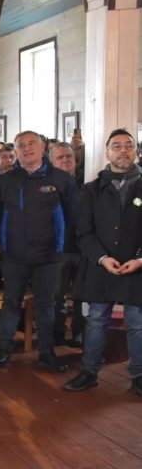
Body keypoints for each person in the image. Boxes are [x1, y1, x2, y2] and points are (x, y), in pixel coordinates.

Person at [0, 131, 78, 371]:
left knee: (46, 305)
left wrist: (58, 243)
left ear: (43, 148)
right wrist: (8, 239)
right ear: (14, 151)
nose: (27, 149)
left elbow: (72, 214)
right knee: (11, 302)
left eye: (32, 144)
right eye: (21, 146)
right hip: (14, 255)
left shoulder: (61, 179)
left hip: (49, 255)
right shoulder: (3, 180)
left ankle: (47, 353)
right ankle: (3, 350)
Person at [64, 129, 142, 396]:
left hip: (137, 265)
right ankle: (89, 371)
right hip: (101, 264)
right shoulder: (92, 189)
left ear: (135, 151)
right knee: (96, 319)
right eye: (117, 146)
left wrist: (140, 259)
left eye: (128, 146)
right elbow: (83, 232)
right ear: (107, 152)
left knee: (138, 322)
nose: (123, 150)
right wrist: (102, 258)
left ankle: (139, 375)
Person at [50, 141, 86, 345]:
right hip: (58, 249)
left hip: (82, 248)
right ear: (52, 161)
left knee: (82, 295)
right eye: (60, 157)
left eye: (69, 157)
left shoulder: (87, 182)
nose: (65, 160)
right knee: (57, 296)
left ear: (75, 159)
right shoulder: (46, 184)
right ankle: (57, 333)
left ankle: (79, 334)